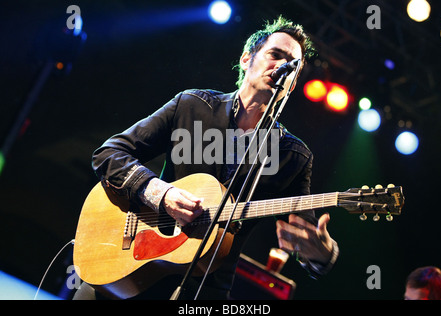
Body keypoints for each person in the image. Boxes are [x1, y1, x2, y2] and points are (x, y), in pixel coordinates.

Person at [73, 16, 339, 300]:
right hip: (131, 266)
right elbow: (109, 154)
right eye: (275, 55)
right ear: (247, 58)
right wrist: (160, 194)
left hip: (203, 292)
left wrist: (322, 254)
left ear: (294, 84)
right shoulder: (192, 106)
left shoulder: (293, 156)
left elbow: (307, 236)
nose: (282, 68)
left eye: (292, 66)